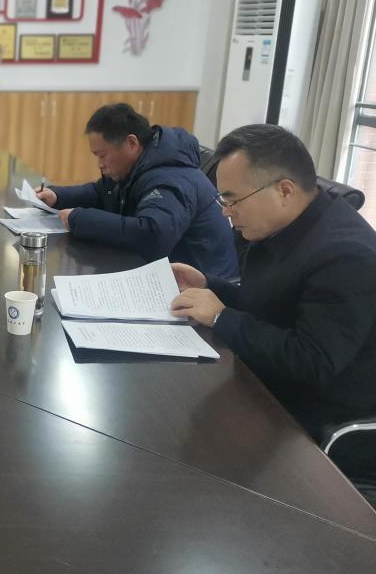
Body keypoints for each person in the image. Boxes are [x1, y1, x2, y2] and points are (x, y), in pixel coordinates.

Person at [170, 124, 376, 446]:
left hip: (314, 416)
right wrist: (211, 285)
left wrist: (221, 316)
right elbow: (272, 303)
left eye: (233, 200)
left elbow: (311, 362)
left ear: (284, 191)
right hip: (268, 381)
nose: (225, 212)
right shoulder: (284, 224)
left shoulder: (345, 256)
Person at [35, 103, 239, 279]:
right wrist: (58, 196)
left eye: (102, 155)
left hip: (202, 286)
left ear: (132, 143)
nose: (100, 164)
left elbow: (153, 234)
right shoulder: (138, 166)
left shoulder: (169, 177)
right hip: (165, 274)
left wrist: (80, 219)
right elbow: (101, 192)